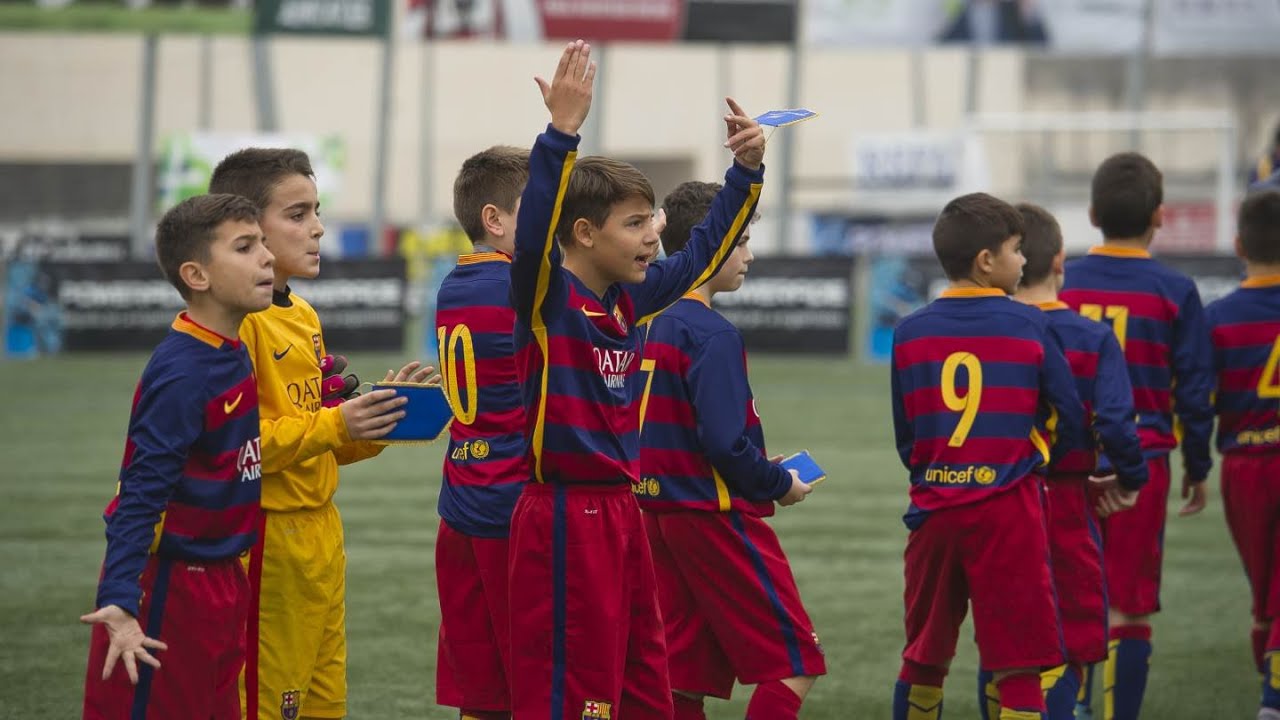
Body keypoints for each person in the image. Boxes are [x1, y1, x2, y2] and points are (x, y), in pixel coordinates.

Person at [506, 40, 767, 718]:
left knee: (645, 680)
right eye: (635, 224)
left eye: (651, 220)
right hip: (564, 516)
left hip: (625, 513)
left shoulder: (631, 299)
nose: (654, 236)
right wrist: (561, 134)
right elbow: (533, 237)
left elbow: (703, 251)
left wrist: (746, 172)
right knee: (577, 692)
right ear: (585, 233)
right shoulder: (549, 301)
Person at [208, 148, 430, 720]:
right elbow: (236, 447)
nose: (317, 228)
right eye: (298, 214)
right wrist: (336, 421)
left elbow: (319, 436)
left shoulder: (303, 316)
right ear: (245, 228)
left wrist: (375, 421)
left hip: (322, 534)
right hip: (267, 538)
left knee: (322, 702)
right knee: (267, 702)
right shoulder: (237, 324)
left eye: (317, 211)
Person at [889, 192, 1084, 720]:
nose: (1023, 260)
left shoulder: (908, 332)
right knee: (1019, 667)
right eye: (1017, 250)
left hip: (933, 511)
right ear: (986, 261)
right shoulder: (1030, 324)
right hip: (1008, 511)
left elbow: (907, 436)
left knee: (923, 661)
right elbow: (1069, 413)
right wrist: (1042, 459)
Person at [636, 180, 825, 720]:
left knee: (682, 676)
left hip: (657, 515)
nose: (749, 255)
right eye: (740, 241)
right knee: (795, 663)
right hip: (713, 516)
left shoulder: (643, 322)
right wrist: (778, 483)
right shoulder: (710, 333)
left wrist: (757, 463)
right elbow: (722, 442)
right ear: (713, 241)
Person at [81, 193, 274, 719]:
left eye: (262, 242)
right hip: (169, 589)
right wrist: (120, 601)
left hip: (222, 580)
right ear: (197, 275)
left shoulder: (231, 350)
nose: (267, 256)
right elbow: (140, 492)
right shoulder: (183, 373)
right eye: (245, 247)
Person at [976, 202, 1148, 720]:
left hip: (1000, 496)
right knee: (1069, 636)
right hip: (1067, 498)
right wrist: (1129, 478)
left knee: (1005, 638)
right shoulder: (1092, 336)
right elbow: (1115, 422)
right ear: (1058, 262)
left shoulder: (990, 332)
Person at [1060, 152, 1215, 720]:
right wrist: (1198, 465)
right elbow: (1194, 390)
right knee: (1128, 608)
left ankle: (1070, 707)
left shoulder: (1061, 279)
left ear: (1092, 214)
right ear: (1159, 216)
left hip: (1066, 464)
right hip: (1142, 464)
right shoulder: (1175, 289)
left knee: (1066, 598)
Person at [433, 145, 530, 720]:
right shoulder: (519, 287)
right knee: (534, 687)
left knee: (482, 693)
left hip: (461, 499)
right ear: (494, 220)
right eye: (539, 209)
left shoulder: (455, 283)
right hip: (512, 509)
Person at [1204, 190, 1280, 719]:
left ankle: (1271, 694)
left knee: (1265, 589)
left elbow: (1200, 399)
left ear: (1238, 246)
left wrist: (1194, 462)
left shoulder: (1218, 317)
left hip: (1243, 469)